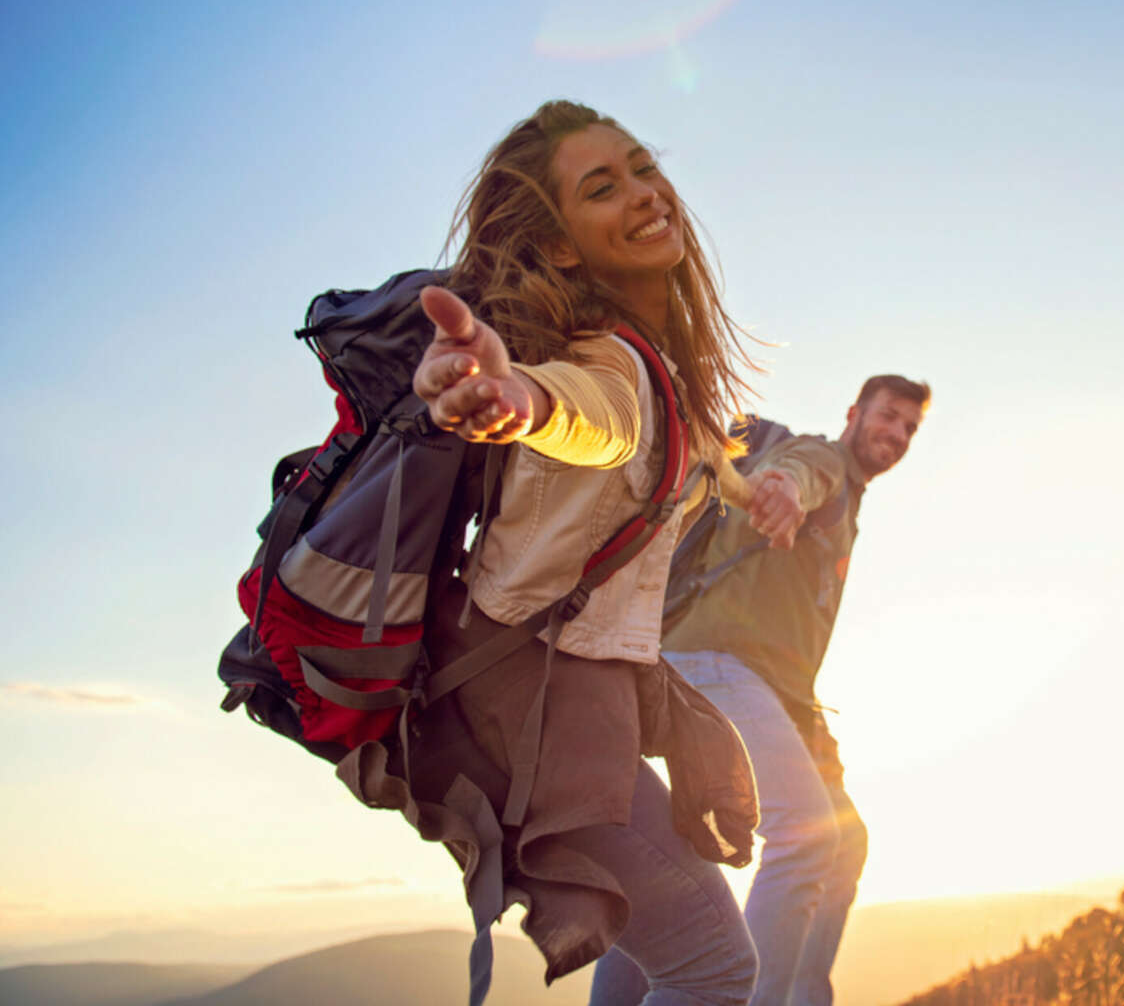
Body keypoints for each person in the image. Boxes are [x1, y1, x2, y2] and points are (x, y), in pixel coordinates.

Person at [385, 100, 804, 1005]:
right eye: (603, 187)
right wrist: (509, 397)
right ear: (565, 246)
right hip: (525, 713)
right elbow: (591, 422)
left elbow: (687, 455)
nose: (646, 194)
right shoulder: (607, 365)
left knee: (656, 936)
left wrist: (759, 487)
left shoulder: (658, 366)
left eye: (644, 166)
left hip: (559, 699)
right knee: (713, 963)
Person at [591, 375, 930, 1006]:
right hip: (718, 667)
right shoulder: (823, 458)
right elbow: (800, 468)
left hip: (743, 681)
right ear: (854, 412)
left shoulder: (848, 506)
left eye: (911, 427)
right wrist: (783, 489)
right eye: (889, 416)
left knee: (831, 841)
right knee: (809, 837)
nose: (898, 434)